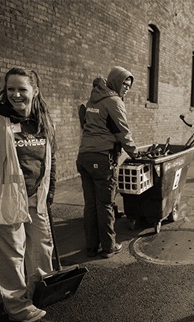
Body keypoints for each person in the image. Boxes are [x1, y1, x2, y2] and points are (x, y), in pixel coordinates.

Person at [0, 67, 57, 322]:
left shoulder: (43, 122)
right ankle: (17, 306)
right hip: (5, 200)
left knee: (41, 249)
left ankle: (39, 293)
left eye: (22, 89)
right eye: (11, 89)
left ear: (35, 92)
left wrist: (50, 190)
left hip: (36, 199)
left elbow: (51, 161)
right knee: (11, 255)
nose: (16, 94)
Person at [77, 66, 138, 258]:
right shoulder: (114, 101)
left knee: (91, 204)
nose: (127, 88)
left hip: (84, 157)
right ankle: (109, 247)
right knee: (105, 204)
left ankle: (91, 247)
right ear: (115, 82)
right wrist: (135, 154)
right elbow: (123, 132)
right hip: (102, 158)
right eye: (124, 84)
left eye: (129, 85)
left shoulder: (94, 97)